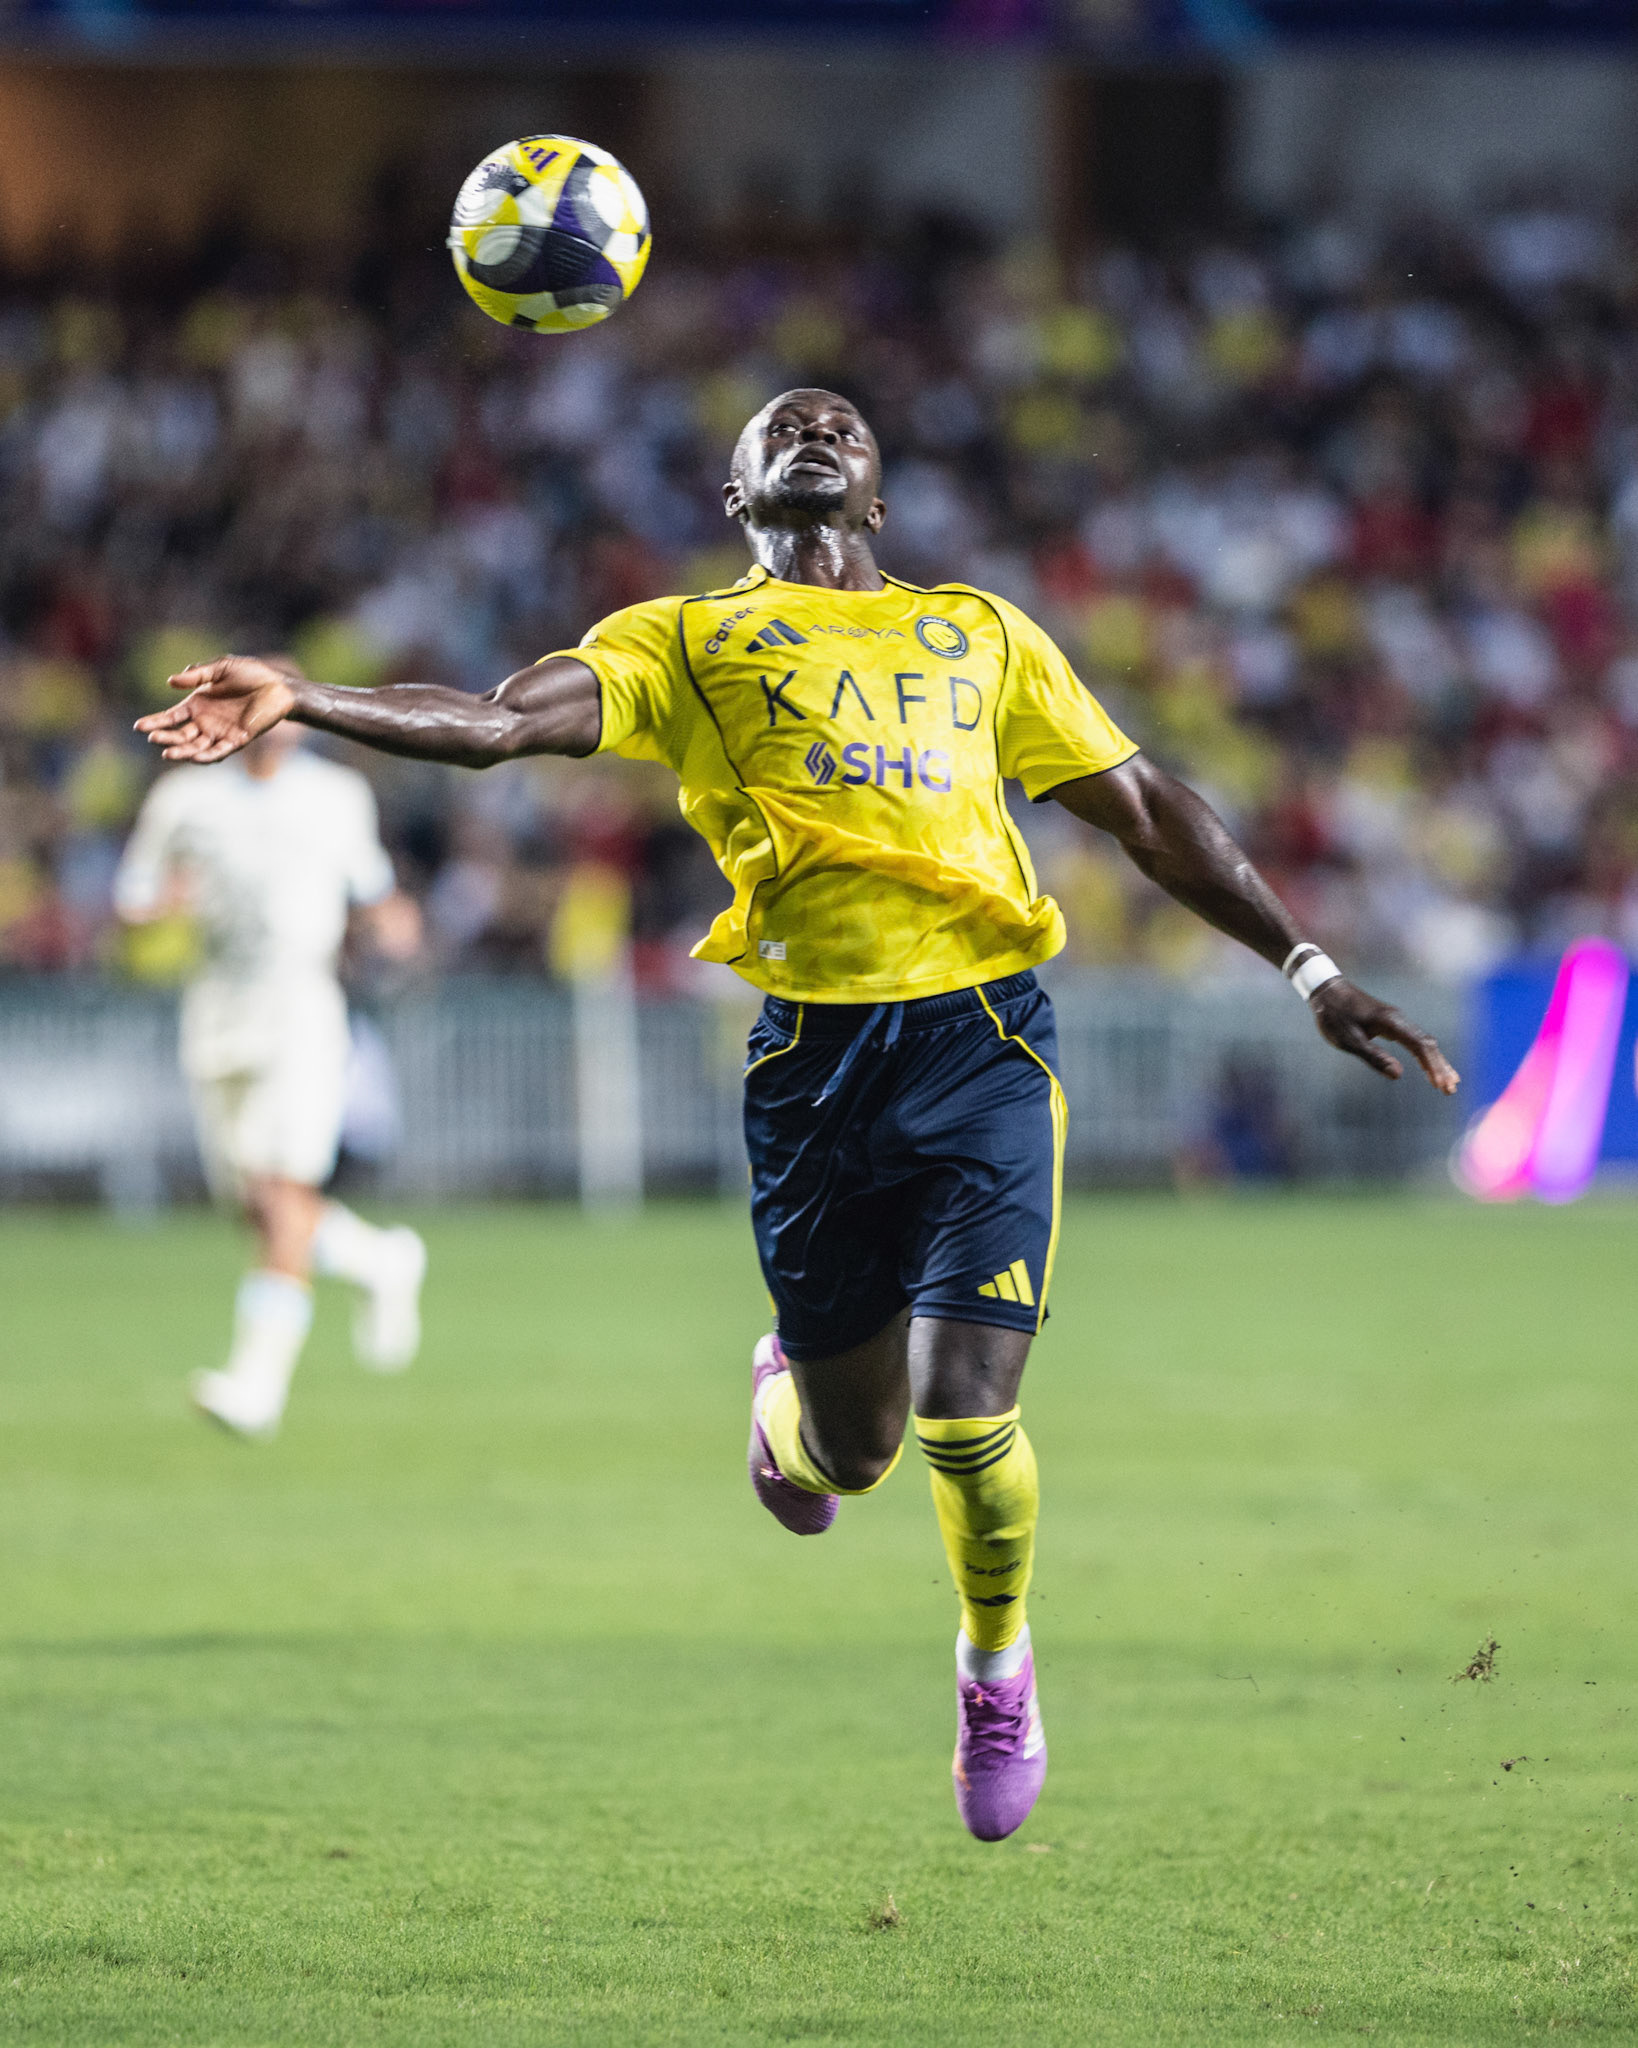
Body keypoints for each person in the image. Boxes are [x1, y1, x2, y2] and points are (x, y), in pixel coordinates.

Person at [136, 388, 1458, 1838]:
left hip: (983, 1041)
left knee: (968, 1406)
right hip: (813, 1070)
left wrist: (1306, 963)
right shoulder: (684, 642)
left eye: (843, 423)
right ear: (736, 494)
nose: (816, 428)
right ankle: (789, 1416)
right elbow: (497, 723)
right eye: (782, 425)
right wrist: (310, 696)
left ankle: (992, 1666)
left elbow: (1140, 808)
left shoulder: (979, 634)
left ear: (878, 499)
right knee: (856, 1449)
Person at [115, 716, 429, 1440]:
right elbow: (133, 894)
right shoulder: (184, 802)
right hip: (217, 1012)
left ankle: (257, 1385)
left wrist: (394, 925)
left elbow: (373, 886)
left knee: (284, 1195)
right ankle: (379, 1258)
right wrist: (159, 907)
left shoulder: (337, 795)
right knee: (253, 1203)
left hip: (302, 1012)